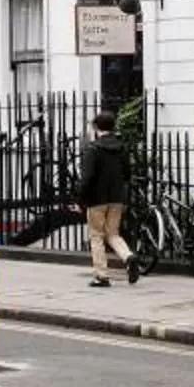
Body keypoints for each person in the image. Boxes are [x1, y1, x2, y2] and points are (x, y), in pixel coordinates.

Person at [73, 110, 133, 288]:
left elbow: (87, 179)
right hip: (117, 198)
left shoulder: (93, 149)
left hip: (96, 200)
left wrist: (80, 200)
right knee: (113, 234)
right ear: (113, 127)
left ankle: (101, 276)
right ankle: (128, 257)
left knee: (96, 236)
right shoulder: (121, 147)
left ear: (96, 127)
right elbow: (127, 174)